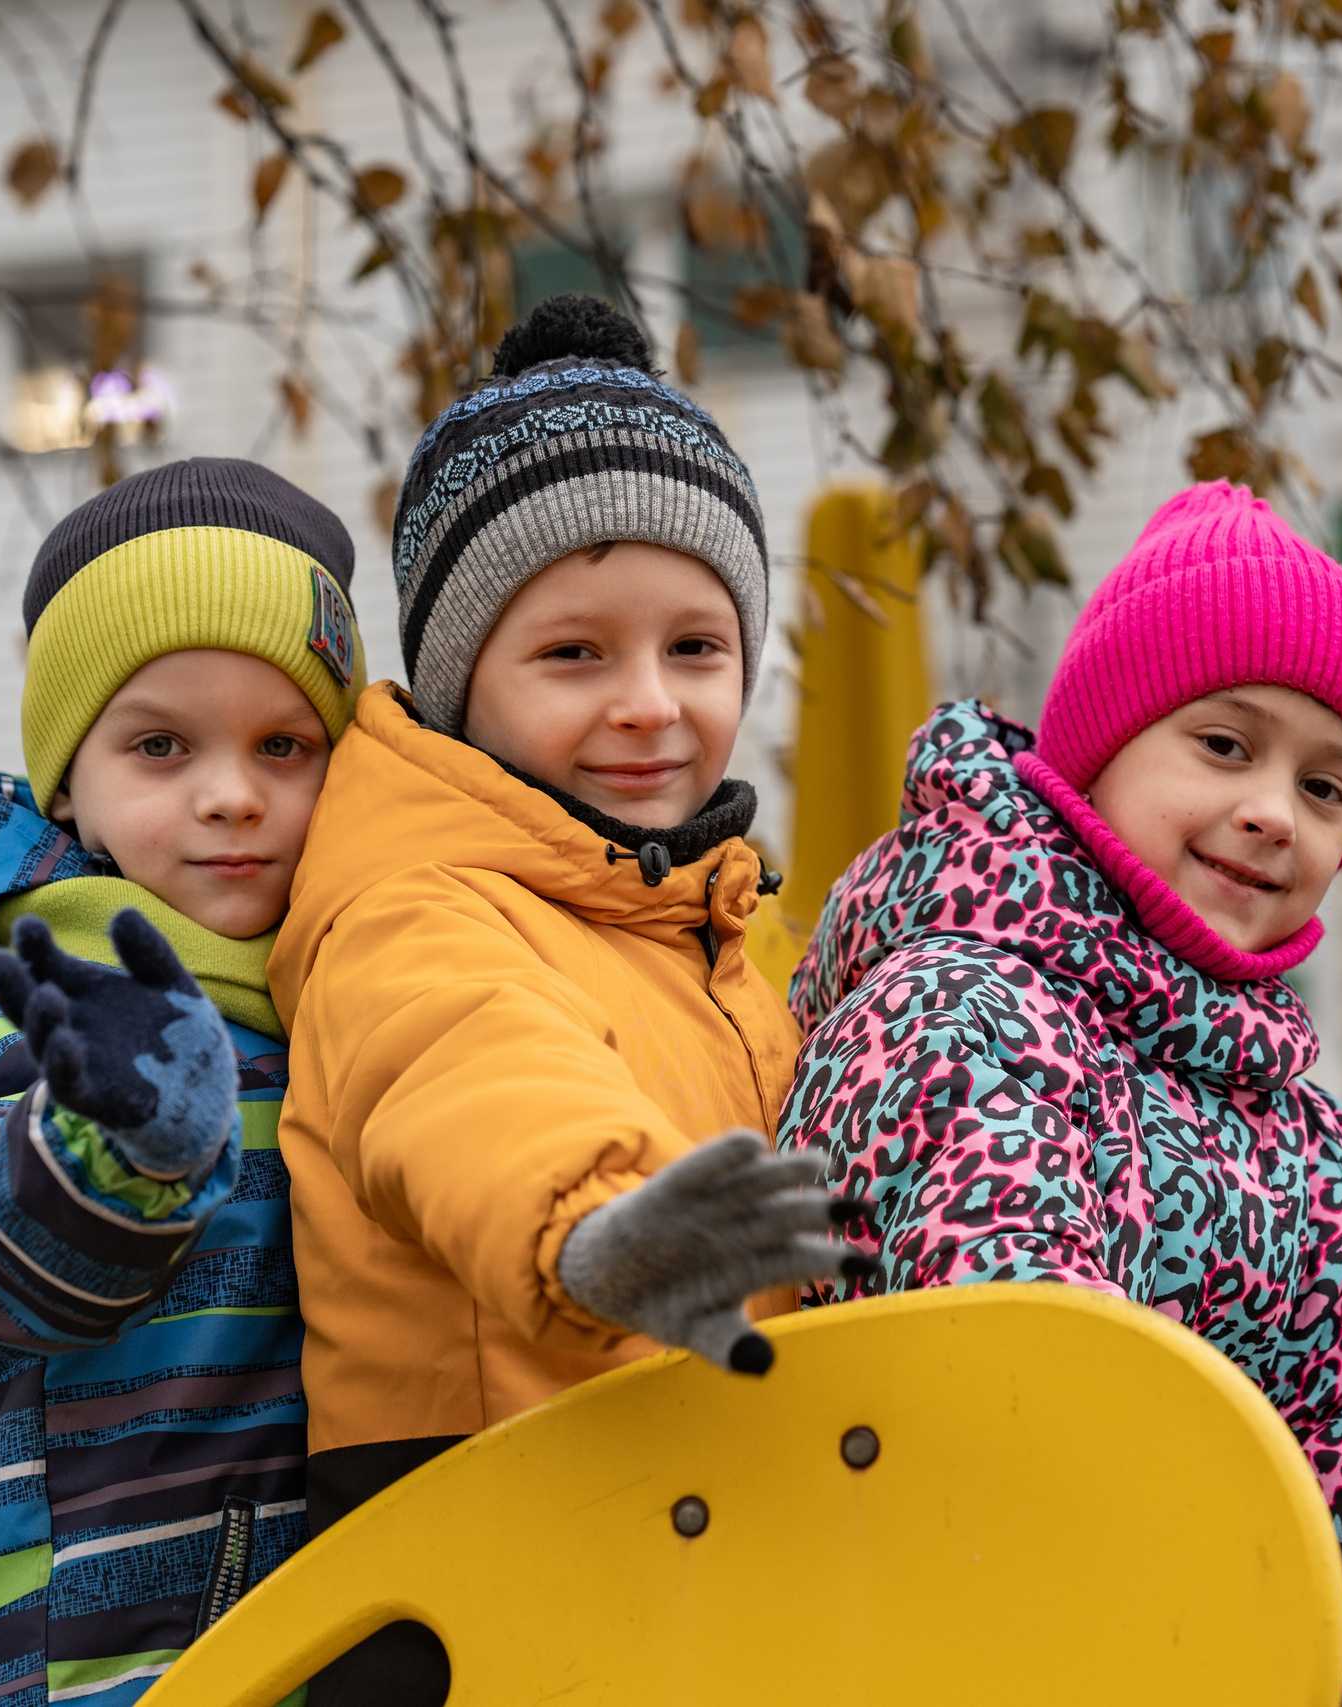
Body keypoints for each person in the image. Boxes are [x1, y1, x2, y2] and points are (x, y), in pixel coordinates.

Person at [779, 482, 1342, 1707]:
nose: (1273, 812)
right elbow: (1029, 1394)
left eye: (1327, 789)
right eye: (1224, 745)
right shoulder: (953, 1018)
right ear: (1097, 751)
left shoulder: (1333, 1166)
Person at [270, 294, 864, 1704]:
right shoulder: (417, 902)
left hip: (676, 1553)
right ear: (465, 681)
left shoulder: (713, 936)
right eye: (575, 654)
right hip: (486, 1576)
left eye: (696, 648)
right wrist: (595, 1224)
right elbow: (470, 1070)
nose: (651, 703)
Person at [0, 458, 366, 1707]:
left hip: (310, 1636)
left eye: (284, 744)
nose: (231, 795)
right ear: (68, 783)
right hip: (100, 1665)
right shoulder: (28, 1004)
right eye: (160, 745)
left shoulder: (338, 995)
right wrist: (119, 1142)